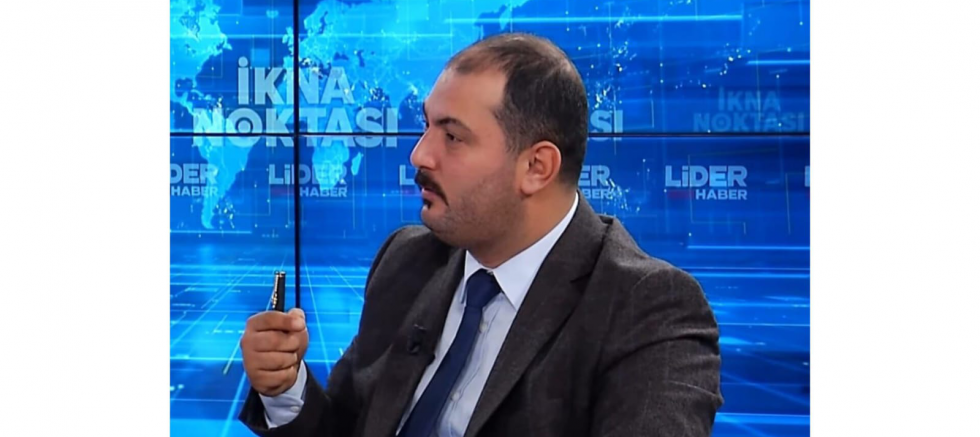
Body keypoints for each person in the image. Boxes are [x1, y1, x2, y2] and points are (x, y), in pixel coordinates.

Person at [238, 32, 723, 437]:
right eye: (427, 126)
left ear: (536, 167)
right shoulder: (407, 259)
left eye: (452, 136)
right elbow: (349, 426)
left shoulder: (648, 309)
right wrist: (285, 389)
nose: (420, 155)